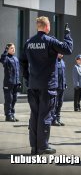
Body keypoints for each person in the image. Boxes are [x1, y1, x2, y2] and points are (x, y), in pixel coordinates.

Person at [20, 16, 73, 155]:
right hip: (47, 85)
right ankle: (42, 146)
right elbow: (68, 49)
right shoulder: (50, 41)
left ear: (38, 26)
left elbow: (22, 61)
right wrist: (67, 35)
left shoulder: (29, 42)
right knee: (45, 116)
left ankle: (34, 147)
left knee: (35, 115)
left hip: (33, 85)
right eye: (49, 25)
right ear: (47, 26)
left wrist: (27, 78)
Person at [1, 43, 21, 122]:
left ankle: (12, 114)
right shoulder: (6, 58)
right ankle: (8, 116)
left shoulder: (15, 59)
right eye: (11, 48)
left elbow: (17, 72)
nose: (13, 49)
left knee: (14, 99)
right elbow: (2, 60)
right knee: (9, 99)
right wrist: (5, 51)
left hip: (15, 83)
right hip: (8, 83)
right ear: (8, 49)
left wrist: (18, 81)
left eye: (14, 48)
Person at [52, 53, 67, 126]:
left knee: (60, 103)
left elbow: (63, 75)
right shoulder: (53, 61)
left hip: (62, 86)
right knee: (55, 104)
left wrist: (65, 84)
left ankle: (58, 119)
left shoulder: (63, 62)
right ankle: (53, 119)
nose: (61, 54)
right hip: (56, 87)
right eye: (60, 52)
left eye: (62, 53)